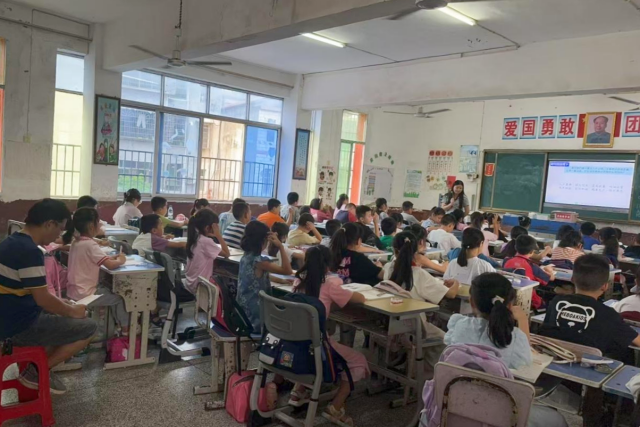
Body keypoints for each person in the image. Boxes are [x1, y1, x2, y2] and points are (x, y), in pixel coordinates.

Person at [0, 199, 96, 395]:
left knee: (62, 313)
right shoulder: (29, 251)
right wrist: (72, 311)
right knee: (90, 327)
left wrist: (61, 304)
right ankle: (37, 371)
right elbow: (43, 299)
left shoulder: (11, 241)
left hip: (9, 315)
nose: (59, 235)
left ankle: (37, 366)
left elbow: (35, 292)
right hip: (18, 327)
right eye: (60, 229)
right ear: (49, 224)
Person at [291, 246, 369, 425]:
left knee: (321, 343)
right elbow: (359, 299)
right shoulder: (330, 283)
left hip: (297, 342)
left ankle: (298, 391)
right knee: (359, 360)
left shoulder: (298, 281)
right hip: (318, 345)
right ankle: (335, 407)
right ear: (328, 264)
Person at [541, 253, 640, 360]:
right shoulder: (608, 315)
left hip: (552, 360)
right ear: (605, 286)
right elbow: (637, 341)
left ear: (572, 279)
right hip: (588, 365)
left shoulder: (556, 302)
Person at [444, 272, 531, 369]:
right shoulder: (515, 338)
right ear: (510, 306)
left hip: (457, 378)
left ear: (471, 302)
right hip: (497, 379)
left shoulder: (458, 325)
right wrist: (523, 320)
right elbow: (525, 364)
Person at [65, 208, 131, 334]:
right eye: (98, 223)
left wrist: (111, 258)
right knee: (121, 298)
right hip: (86, 293)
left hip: (73, 290)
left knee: (108, 290)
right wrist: (121, 260)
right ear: (91, 226)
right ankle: (125, 331)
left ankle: (116, 327)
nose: (100, 226)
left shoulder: (76, 242)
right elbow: (110, 266)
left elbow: (97, 259)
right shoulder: (90, 244)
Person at [237, 221, 294, 332]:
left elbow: (256, 277)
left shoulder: (246, 256)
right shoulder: (260, 261)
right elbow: (288, 271)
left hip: (243, 309)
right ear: (263, 241)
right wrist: (281, 246)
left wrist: (280, 280)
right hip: (256, 313)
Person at [384, 232, 459, 303]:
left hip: (393, 307)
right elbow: (451, 294)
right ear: (415, 250)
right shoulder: (420, 274)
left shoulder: (388, 267)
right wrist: (456, 282)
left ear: (394, 250)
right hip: (415, 311)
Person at [184, 210, 230, 294]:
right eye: (215, 226)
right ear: (207, 228)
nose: (217, 228)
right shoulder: (206, 241)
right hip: (200, 287)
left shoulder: (194, 238)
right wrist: (218, 235)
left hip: (190, 284)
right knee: (226, 289)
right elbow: (227, 253)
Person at [503, 235, 555, 310]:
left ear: (515, 247)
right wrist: (549, 270)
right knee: (549, 304)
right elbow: (550, 278)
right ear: (532, 252)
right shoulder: (532, 266)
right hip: (530, 301)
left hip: (508, 299)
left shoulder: (506, 261)